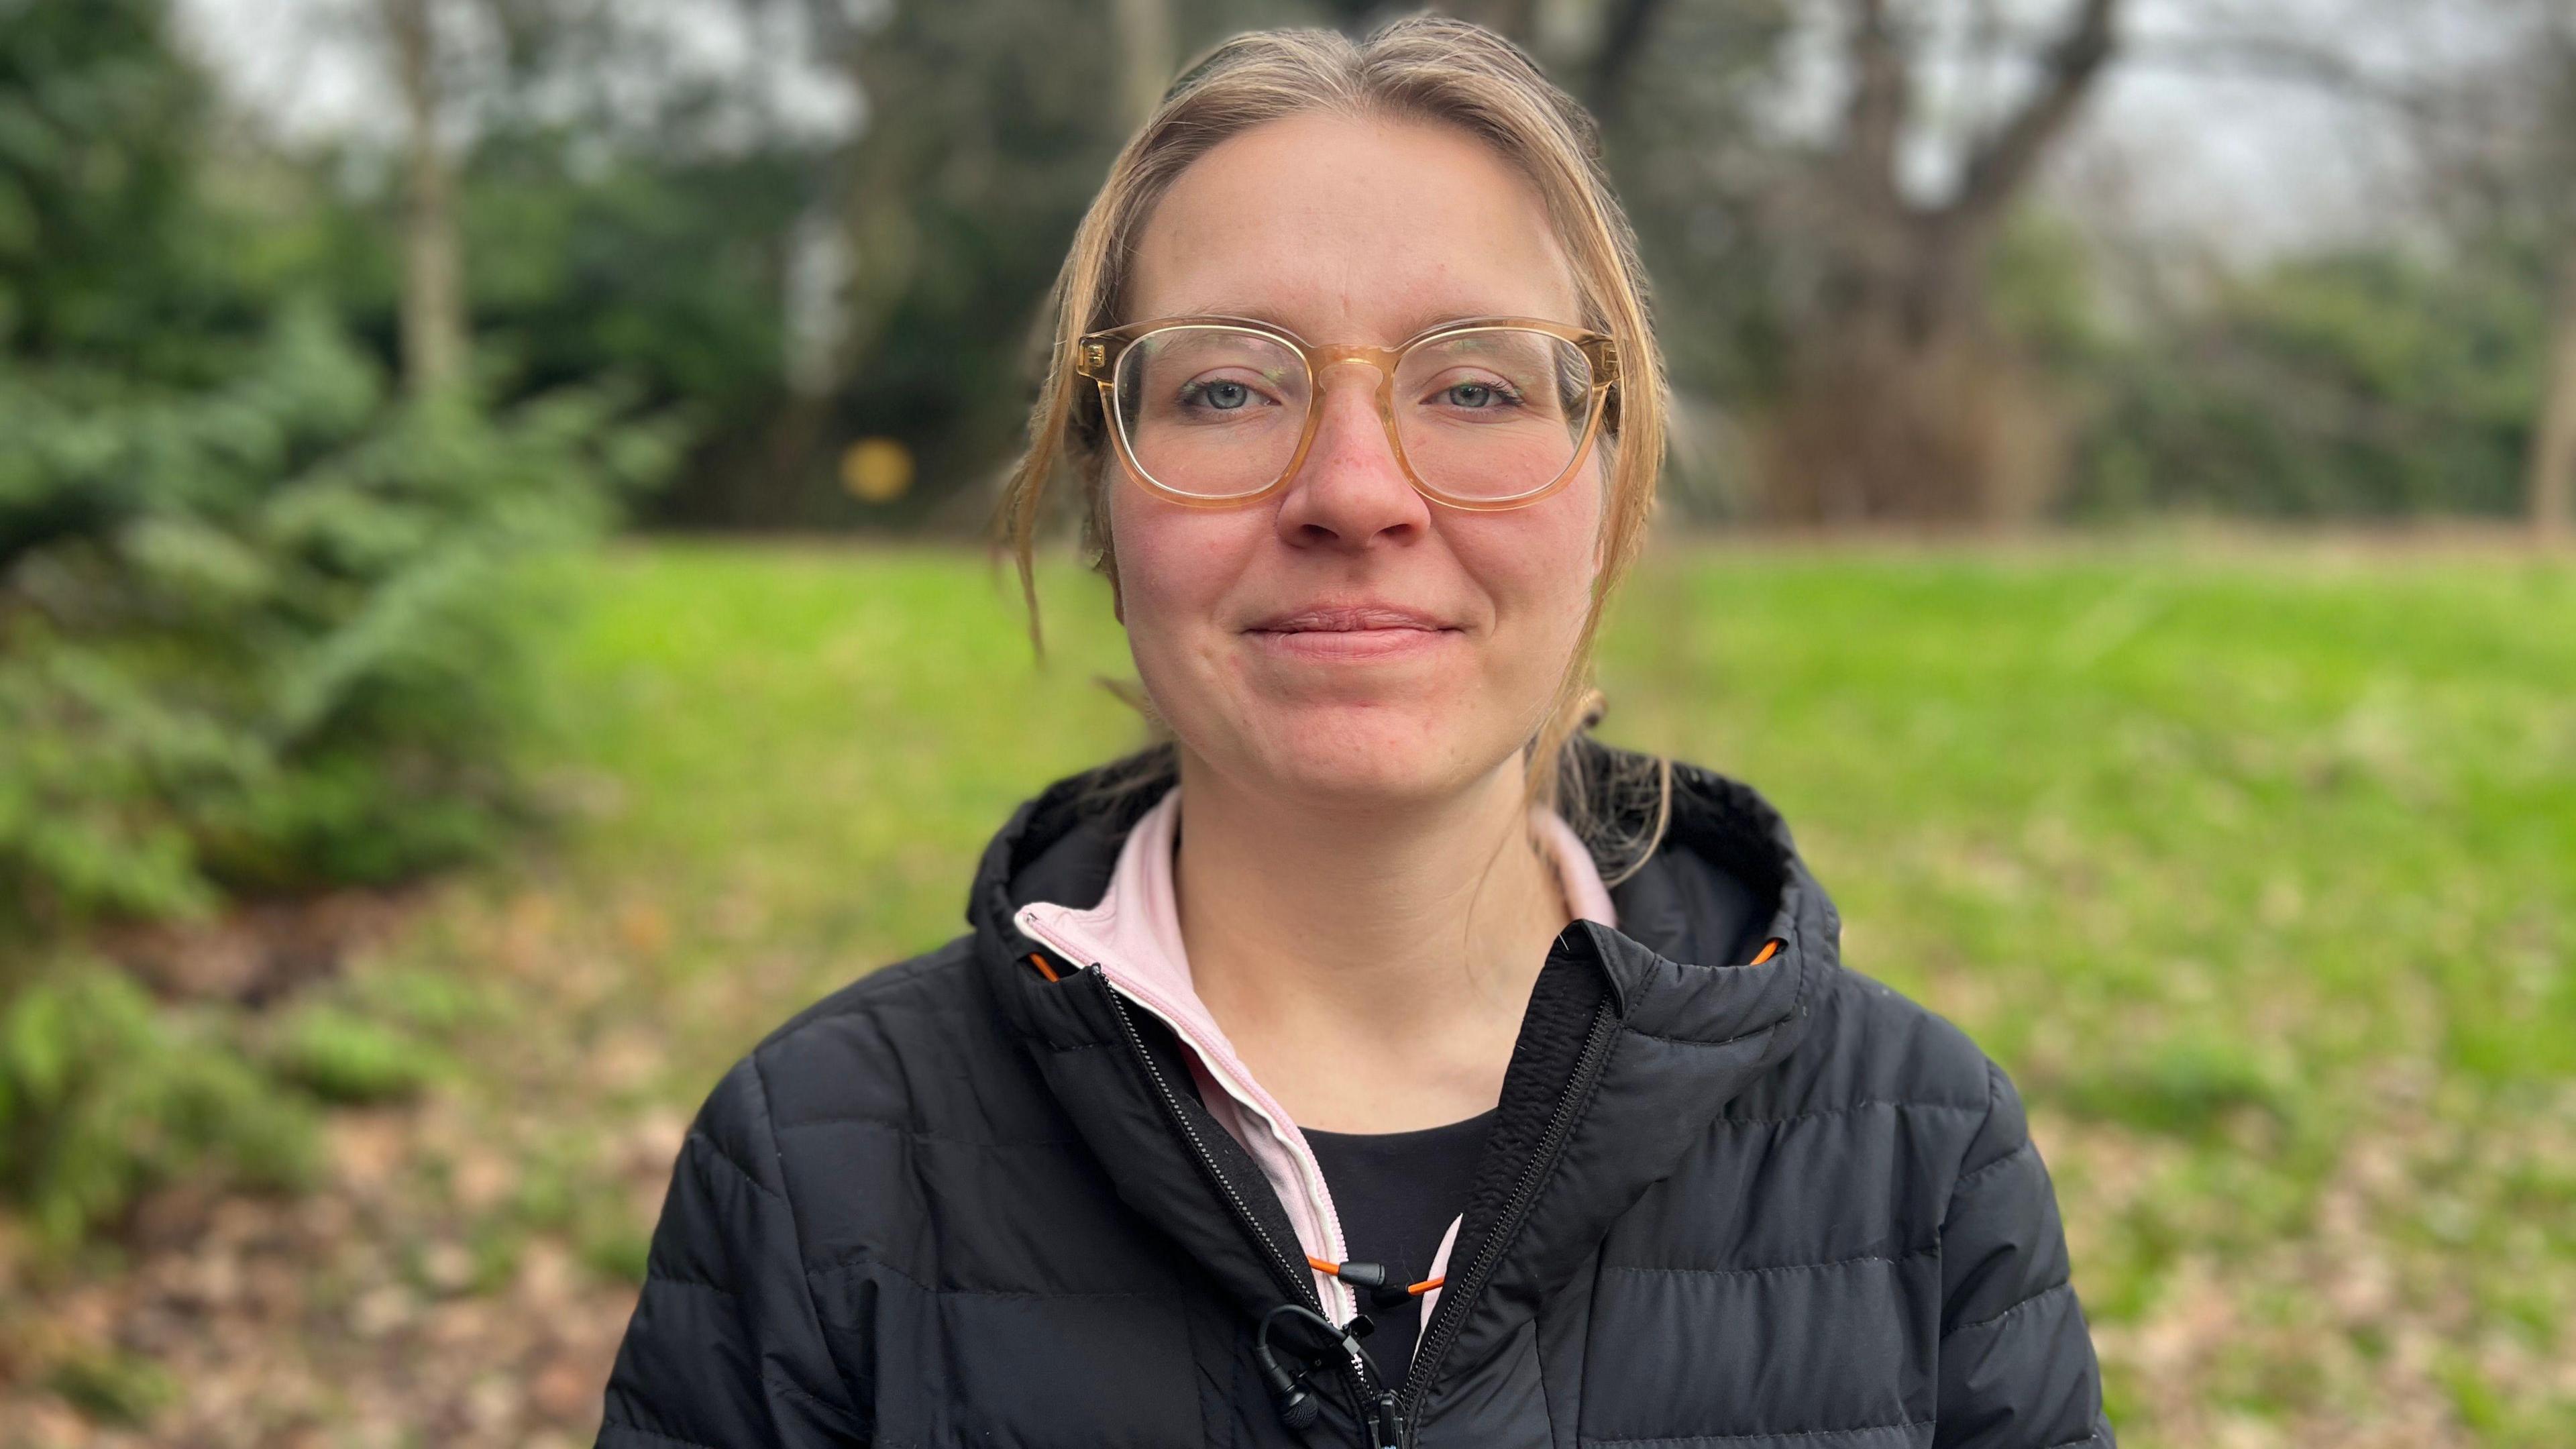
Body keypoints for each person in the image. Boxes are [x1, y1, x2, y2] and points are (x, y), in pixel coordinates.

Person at [596, 17, 2114, 1449]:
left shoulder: (1921, 1151)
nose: (1354, 491)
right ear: (1103, 514)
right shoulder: (814, 1162)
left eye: (1472, 383)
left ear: (1611, 495)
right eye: (1228, 388)